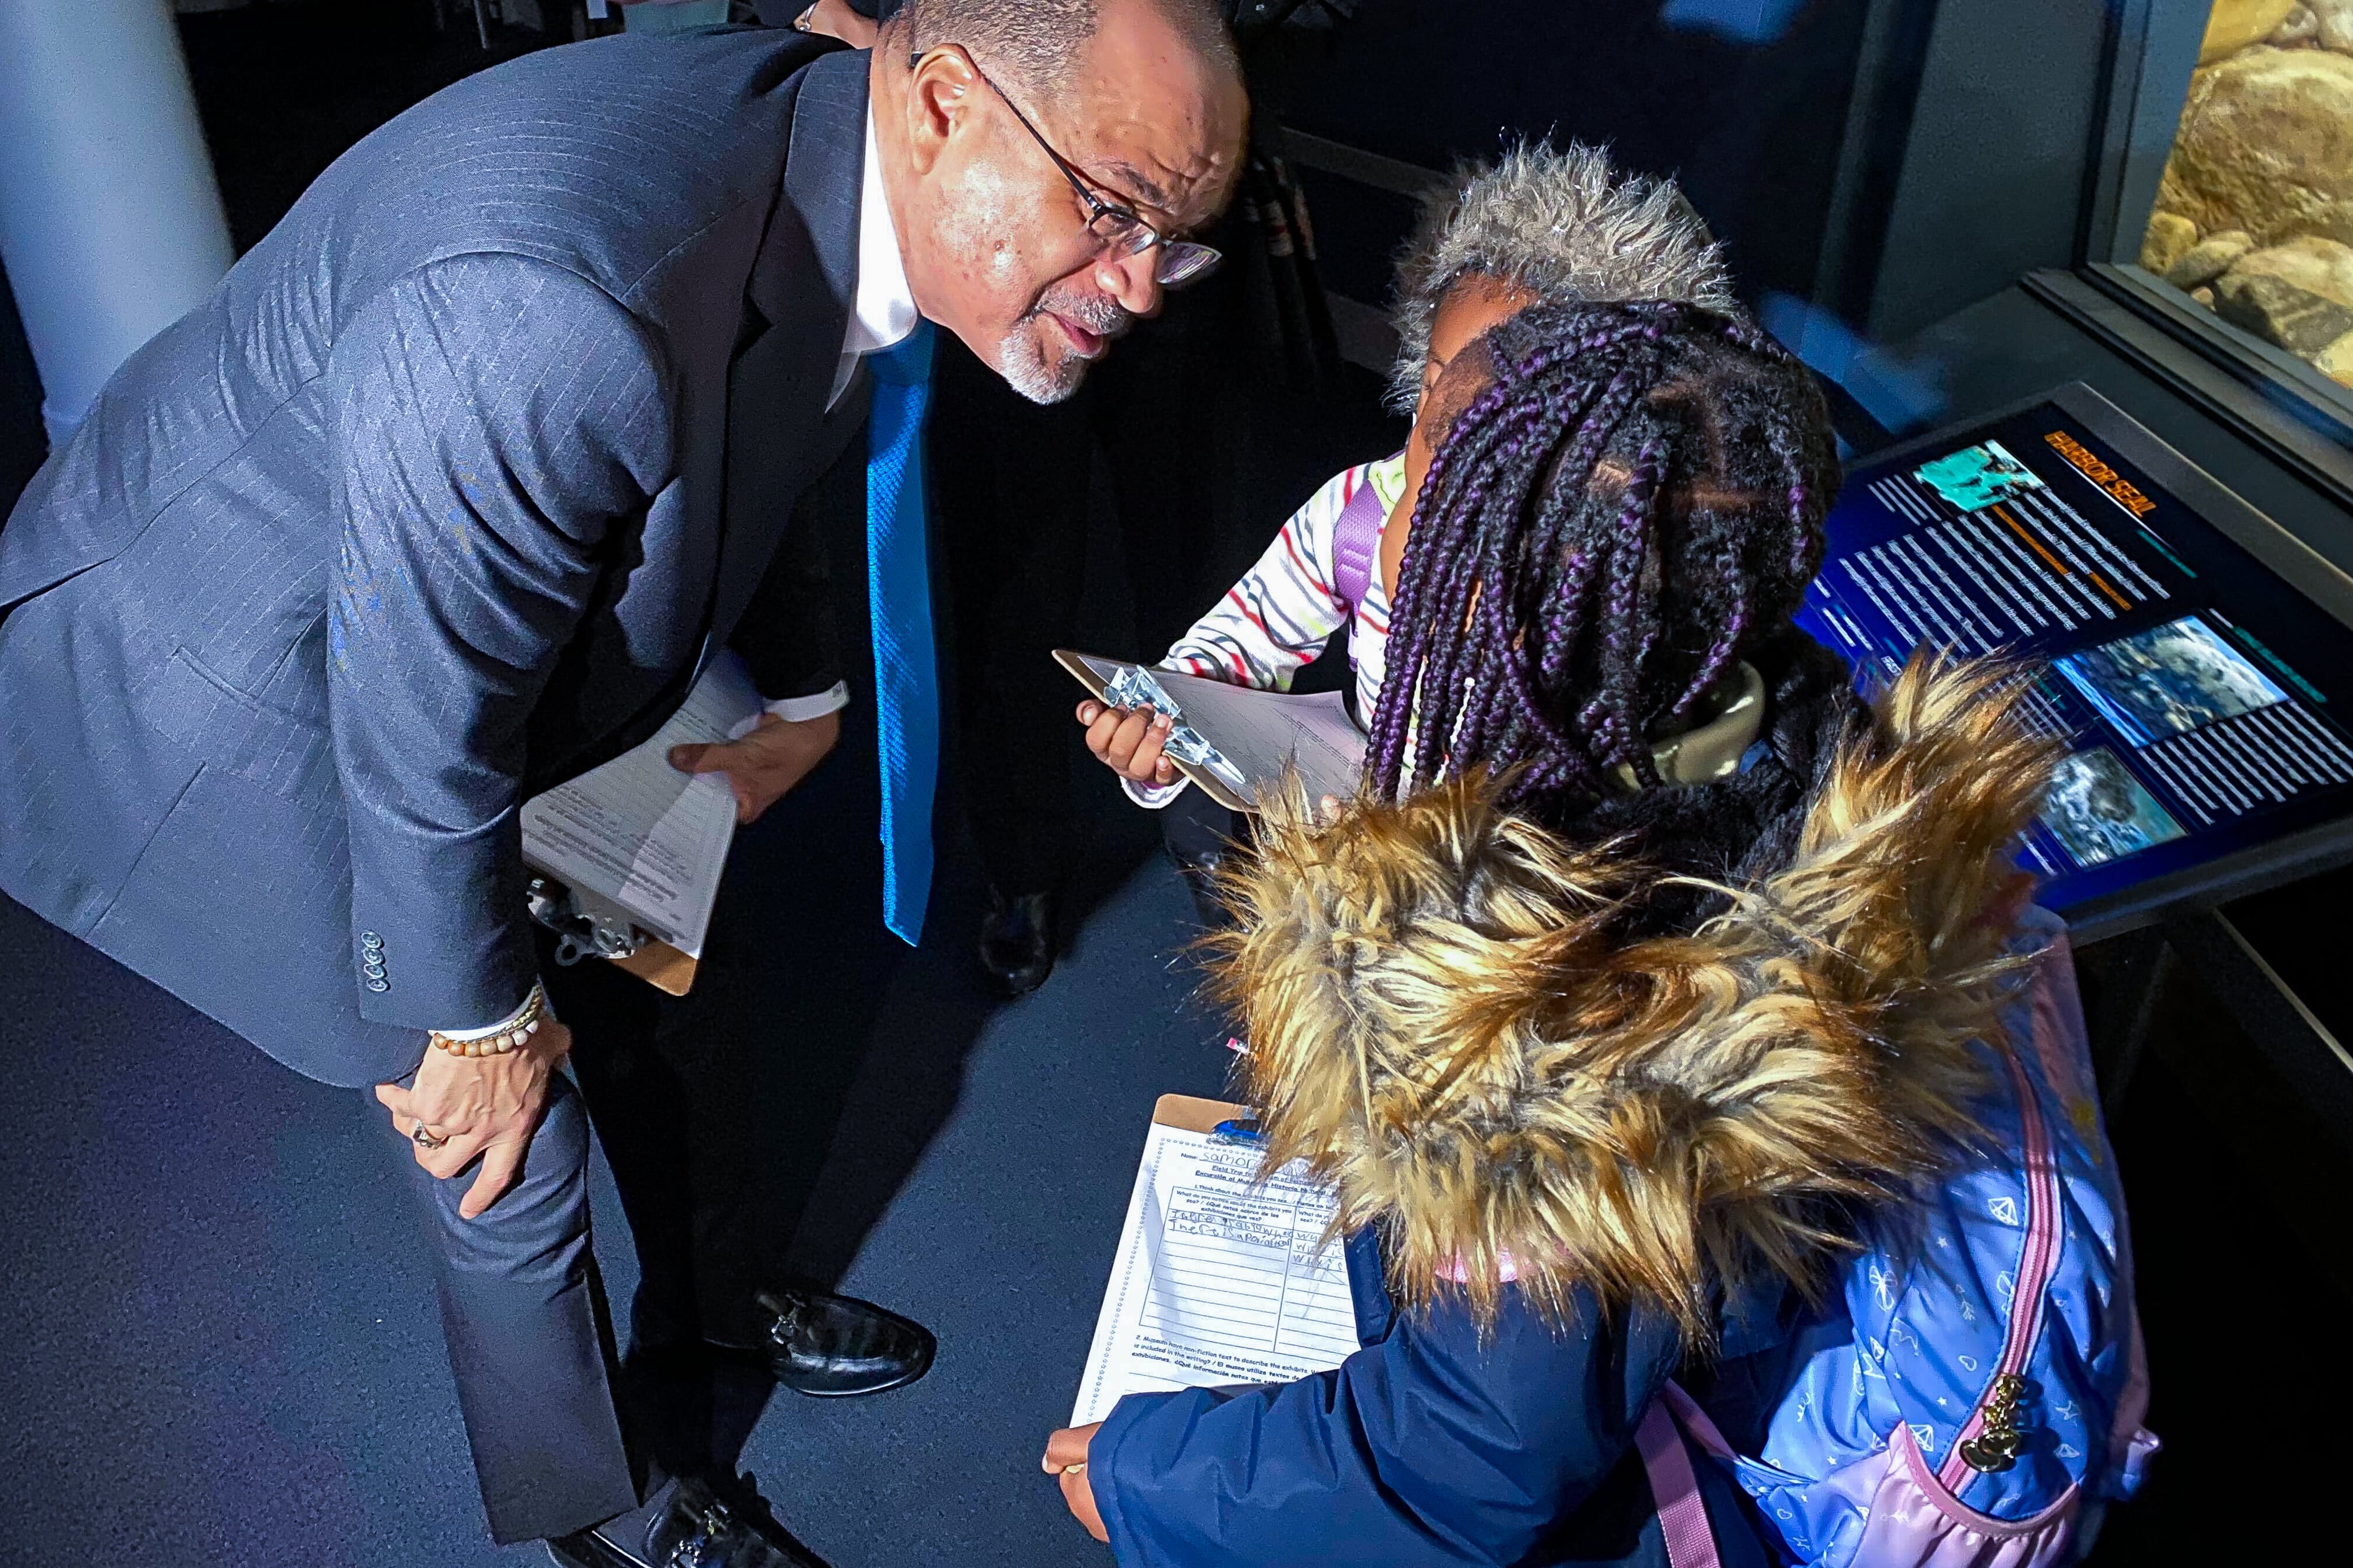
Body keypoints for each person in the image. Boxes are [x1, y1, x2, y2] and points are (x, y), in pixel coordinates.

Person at [0, 6, 1244, 1566]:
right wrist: (482, 1017)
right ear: (941, 108)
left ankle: (715, 1323)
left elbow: (768, 412)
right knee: (504, 1141)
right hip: (236, 678)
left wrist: (780, 701)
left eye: (1176, 244)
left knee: (676, 956)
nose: (1138, 289)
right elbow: (414, 703)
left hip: (501, 618)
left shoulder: (846, 136)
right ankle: (612, 1507)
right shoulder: (553, 300)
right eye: (1115, 211)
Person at [1041, 299, 2144, 1563]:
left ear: (1504, 605)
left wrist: (1149, 1477)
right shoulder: (1794, 738)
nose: (1387, 507)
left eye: (1427, 492)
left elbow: (1468, 1449)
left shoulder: (1556, 1045)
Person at [1075, 146, 1736, 835]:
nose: (1445, 447)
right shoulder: (1360, 512)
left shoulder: (1635, 588)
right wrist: (1166, 730)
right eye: (1433, 390)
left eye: (1504, 424)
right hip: (1362, 870)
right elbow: (1238, 642)